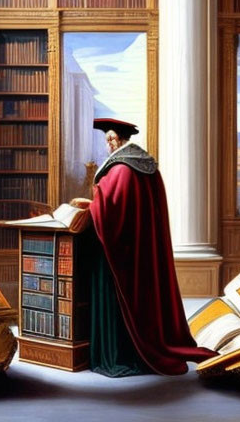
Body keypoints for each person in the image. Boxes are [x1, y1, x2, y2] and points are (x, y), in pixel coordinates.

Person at [71, 118, 215, 376]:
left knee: (121, 305)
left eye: (110, 140)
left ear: (118, 140)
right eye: (107, 141)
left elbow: (111, 211)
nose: (108, 145)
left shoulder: (121, 169)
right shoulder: (145, 166)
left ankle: (119, 355)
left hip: (118, 256)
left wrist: (89, 206)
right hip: (141, 252)